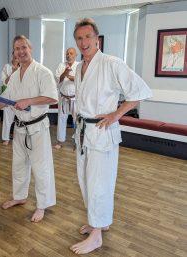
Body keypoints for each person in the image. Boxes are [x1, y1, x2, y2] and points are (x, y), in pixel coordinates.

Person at [70, 18, 152, 254]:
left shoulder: (111, 63)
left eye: (87, 37)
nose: (83, 42)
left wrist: (116, 114)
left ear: (97, 38)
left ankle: (96, 236)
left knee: (99, 183)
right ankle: (99, 222)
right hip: (84, 132)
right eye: (79, 38)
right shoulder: (79, 67)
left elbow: (138, 92)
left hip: (103, 132)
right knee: (85, 180)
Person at [0, 35, 58, 222]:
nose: (21, 51)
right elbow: (6, 100)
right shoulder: (15, 76)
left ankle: (42, 205)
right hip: (20, 128)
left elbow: (52, 97)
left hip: (38, 127)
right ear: (14, 52)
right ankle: (20, 197)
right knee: (18, 165)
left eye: (24, 47)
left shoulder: (43, 72)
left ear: (30, 48)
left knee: (41, 168)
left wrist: (29, 101)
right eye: (17, 49)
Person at [53, 47, 79, 149]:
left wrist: (69, 76)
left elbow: (81, 80)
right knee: (61, 119)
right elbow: (58, 79)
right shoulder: (61, 65)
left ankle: (77, 142)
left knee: (77, 120)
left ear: (75, 55)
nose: (69, 55)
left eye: (71, 53)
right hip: (63, 97)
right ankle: (60, 141)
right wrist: (65, 73)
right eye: (67, 53)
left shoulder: (79, 66)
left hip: (75, 99)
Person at [0, 51, 19, 145]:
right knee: (7, 118)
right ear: (12, 55)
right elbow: (5, 82)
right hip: (8, 96)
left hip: (20, 96)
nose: (16, 55)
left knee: (20, 118)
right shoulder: (6, 67)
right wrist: (13, 72)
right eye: (15, 53)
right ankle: (6, 138)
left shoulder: (24, 67)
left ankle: (17, 137)